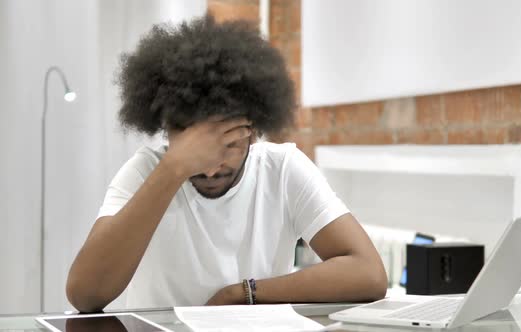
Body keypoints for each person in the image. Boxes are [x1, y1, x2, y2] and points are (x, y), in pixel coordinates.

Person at [66, 14, 387, 312]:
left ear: (254, 130)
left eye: (229, 145)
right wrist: (174, 168)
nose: (209, 169)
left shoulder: (283, 169)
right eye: (194, 150)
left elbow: (369, 274)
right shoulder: (146, 172)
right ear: (168, 133)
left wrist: (245, 293)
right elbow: (85, 295)